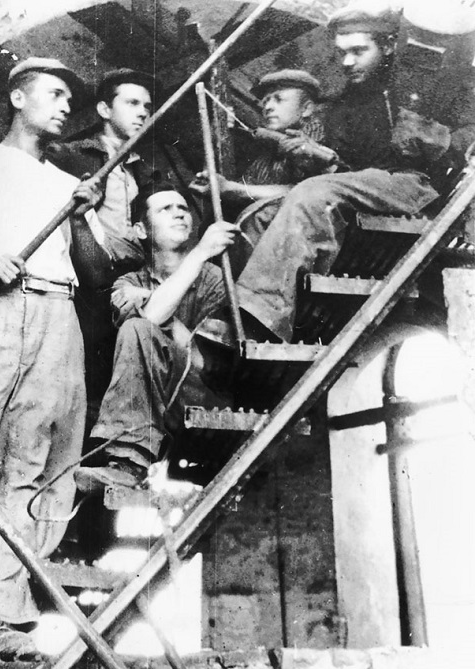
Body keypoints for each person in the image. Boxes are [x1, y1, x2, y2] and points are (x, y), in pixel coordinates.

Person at [0, 57, 110, 659]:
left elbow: (97, 272)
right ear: (18, 97)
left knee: (30, 470)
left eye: (69, 98)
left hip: (57, 313)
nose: (65, 106)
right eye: (54, 93)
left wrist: (83, 216)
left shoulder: (64, 183)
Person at [234, 6, 475, 342]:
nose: (347, 61)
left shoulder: (422, 82)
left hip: (415, 185)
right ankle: (270, 322)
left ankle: (255, 318)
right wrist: (323, 158)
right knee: (259, 216)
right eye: (342, 52)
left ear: (387, 46)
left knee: (311, 194)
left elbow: (468, 133)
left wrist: (441, 139)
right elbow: (351, 173)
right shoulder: (344, 106)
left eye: (359, 51)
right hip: (372, 187)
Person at [74, 183, 238, 492]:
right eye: (165, 209)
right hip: (151, 406)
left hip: (202, 400)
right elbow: (150, 322)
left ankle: (130, 463)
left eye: (183, 208)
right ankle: (127, 465)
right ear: (140, 229)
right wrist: (165, 316)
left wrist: (196, 259)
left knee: (139, 327)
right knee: (137, 329)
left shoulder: (215, 278)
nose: (179, 214)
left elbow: (204, 364)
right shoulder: (127, 283)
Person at [49, 69, 157, 426]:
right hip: (87, 277)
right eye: (132, 103)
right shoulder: (70, 155)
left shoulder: (144, 170)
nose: (143, 112)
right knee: (82, 382)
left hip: (128, 278)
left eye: (147, 106)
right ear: (105, 110)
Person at [191, 69, 336, 277]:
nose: (267, 107)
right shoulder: (265, 154)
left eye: (278, 99)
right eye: (266, 101)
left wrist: (234, 189)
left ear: (306, 109)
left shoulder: (314, 143)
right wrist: (217, 137)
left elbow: (309, 191)